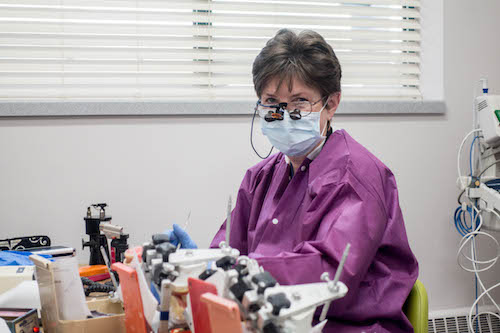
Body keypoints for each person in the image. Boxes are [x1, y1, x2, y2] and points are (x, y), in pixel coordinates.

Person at [168, 29, 418, 332]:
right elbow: (229, 251)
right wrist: (199, 265)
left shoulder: (356, 178)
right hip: (269, 319)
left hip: (346, 325)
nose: (283, 115)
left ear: (332, 103)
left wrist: (243, 270)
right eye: (271, 102)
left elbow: (329, 275)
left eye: (299, 102)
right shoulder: (260, 178)